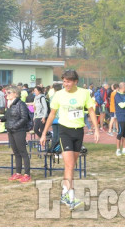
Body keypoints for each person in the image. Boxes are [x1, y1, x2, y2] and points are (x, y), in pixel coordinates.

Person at [39, 70, 99, 210]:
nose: (66, 84)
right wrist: (44, 133)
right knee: (70, 165)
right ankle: (71, 197)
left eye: (69, 81)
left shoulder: (84, 93)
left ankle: (64, 193)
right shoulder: (58, 95)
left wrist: (96, 129)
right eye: (64, 81)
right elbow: (52, 114)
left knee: (70, 165)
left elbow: (91, 111)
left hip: (78, 132)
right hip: (64, 131)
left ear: (75, 81)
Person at [0, 85, 32, 183]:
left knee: (23, 152)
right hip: (11, 131)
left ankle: (27, 174)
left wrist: (15, 126)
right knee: (16, 152)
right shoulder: (10, 104)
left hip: (19, 131)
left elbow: (24, 118)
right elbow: (7, 116)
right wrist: (0, 118)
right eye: (6, 93)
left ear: (15, 94)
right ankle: (18, 173)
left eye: (9, 93)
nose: (6, 95)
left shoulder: (20, 104)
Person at [113, 82, 125, 156]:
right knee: (120, 133)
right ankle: (118, 150)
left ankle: (124, 149)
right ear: (122, 87)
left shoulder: (123, 95)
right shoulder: (117, 96)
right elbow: (122, 105)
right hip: (121, 116)